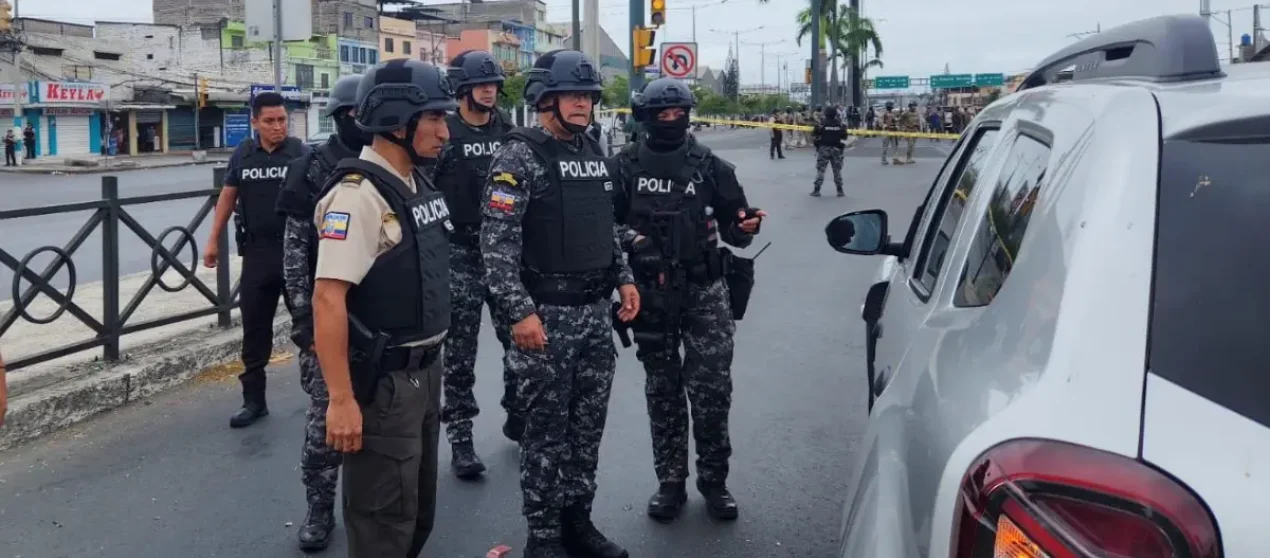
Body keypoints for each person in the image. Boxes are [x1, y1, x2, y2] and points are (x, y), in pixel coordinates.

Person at [481, 49, 639, 558]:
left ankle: (578, 521)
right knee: (545, 433)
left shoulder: (592, 150)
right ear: (544, 98)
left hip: (595, 317)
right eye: (573, 95)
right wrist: (518, 312)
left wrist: (624, 279)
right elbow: (497, 243)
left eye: (589, 96)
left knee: (586, 429)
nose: (583, 104)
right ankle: (544, 535)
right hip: (545, 318)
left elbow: (604, 225)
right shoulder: (518, 155)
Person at [312, 58, 455, 558]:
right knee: (382, 522)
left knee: (416, 511)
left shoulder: (415, 185)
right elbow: (328, 299)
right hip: (387, 383)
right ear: (398, 121)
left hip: (423, 373)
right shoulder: (359, 197)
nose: (445, 131)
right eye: (435, 118)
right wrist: (341, 400)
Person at [614, 77, 765, 524]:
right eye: (662, 114)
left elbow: (736, 227)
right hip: (649, 292)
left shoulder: (711, 167)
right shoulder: (622, 166)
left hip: (705, 291)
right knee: (662, 390)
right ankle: (670, 481)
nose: (671, 121)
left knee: (712, 391)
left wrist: (747, 226)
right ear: (645, 117)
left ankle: (714, 481)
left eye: (678, 113)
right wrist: (632, 239)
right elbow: (600, 224)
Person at [275, 73, 368, 552]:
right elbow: (294, 253)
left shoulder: (386, 163)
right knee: (324, 419)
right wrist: (303, 321)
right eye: (357, 115)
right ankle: (318, 508)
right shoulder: (312, 167)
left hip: (380, 317)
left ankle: (374, 509)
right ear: (343, 117)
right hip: (327, 311)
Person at [432, 49, 517, 480]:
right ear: (462, 89)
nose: (490, 90)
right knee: (460, 353)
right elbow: (422, 193)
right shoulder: (445, 133)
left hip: (503, 252)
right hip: (459, 253)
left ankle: (516, 410)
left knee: (518, 340)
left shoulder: (509, 131)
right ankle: (461, 438)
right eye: (481, 84)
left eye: (494, 84)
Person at [203, 91, 309, 428]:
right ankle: (253, 401)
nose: (278, 126)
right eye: (270, 121)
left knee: (309, 327)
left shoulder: (300, 154)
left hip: (297, 254)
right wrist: (211, 242)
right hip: (258, 254)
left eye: (282, 120)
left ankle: (321, 396)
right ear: (255, 123)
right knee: (254, 329)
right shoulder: (243, 154)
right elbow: (228, 197)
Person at [811, 105, 848, 197]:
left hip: (824, 148)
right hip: (836, 149)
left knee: (821, 170)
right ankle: (840, 190)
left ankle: (817, 190)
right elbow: (845, 137)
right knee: (837, 170)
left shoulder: (821, 124)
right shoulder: (840, 124)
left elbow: (814, 135)